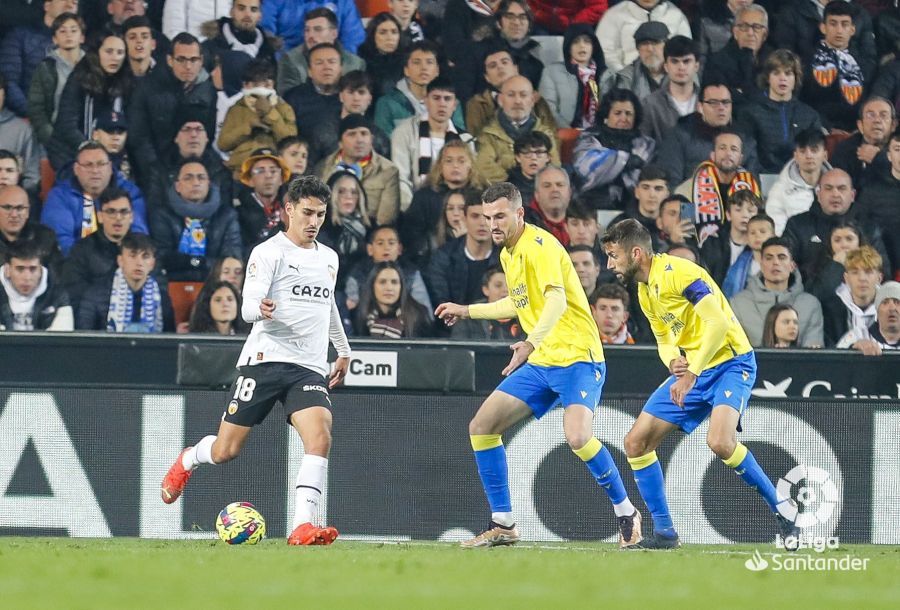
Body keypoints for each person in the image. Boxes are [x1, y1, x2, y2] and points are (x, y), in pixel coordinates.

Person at [436, 182, 642, 549]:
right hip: (543, 359)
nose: (492, 224)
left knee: (578, 437)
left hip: (578, 356)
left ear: (519, 213)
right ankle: (503, 523)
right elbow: (517, 304)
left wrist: (530, 343)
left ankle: (626, 511)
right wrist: (467, 309)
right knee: (482, 426)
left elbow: (556, 302)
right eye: (486, 217)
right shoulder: (508, 254)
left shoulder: (540, 247)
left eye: (499, 216)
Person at [159, 175, 352, 547]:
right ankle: (189, 458)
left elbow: (327, 305)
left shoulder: (329, 258)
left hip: (308, 366)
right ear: (289, 210)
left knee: (320, 436)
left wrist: (342, 349)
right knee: (226, 451)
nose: (313, 222)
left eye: (321, 215)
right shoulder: (268, 253)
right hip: (266, 360)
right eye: (307, 213)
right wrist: (259, 310)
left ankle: (302, 525)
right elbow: (247, 305)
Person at [600, 219, 801, 550]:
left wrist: (691, 372)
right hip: (695, 368)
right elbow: (664, 338)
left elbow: (718, 323)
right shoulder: (644, 290)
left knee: (720, 442)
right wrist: (672, 362)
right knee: (636, 442)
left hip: (731, 362)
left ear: (636, 252)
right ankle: (665, 532)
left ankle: (784, 510)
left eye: (613, 255)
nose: (610, 264)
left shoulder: (681, 274)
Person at [41, 140, 148, 256]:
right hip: (76, 265)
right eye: (88, 165)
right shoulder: (59, 196)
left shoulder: (131, 193)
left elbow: (139, 237)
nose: (95, 170)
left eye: (101, 164)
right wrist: (92, 263)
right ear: (76, 169)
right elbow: (60, 241)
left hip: (122, 264)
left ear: (110, 168)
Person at [149, 157, 243, 282]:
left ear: (209, 184)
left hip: (216, 286)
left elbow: (230, 260)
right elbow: (162, 257)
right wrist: (203, 262)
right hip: (172, 284)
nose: (196, 182)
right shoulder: (162, 215)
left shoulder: (226, 216)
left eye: (201, 177)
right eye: (188, 178)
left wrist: (190, 262)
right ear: (177, 186)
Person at [391, 77, 472, 208]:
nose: (442, 104)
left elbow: (470, 180)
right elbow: (401, 178)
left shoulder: (465, 139)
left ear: (454, 105)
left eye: (447, 99)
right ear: (425, 101)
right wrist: (412, 209)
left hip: (456, 208)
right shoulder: (404, 132)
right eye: (436, 98)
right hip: (416, 207)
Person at [739, 49, 824, 174]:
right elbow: (749, 154)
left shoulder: (810, 115)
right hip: (762, 179)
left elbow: (816, 154)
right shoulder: (750, 113)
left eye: (788, 73)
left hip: (800, 179)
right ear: (768, 77)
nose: (782, 78)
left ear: (796, 78)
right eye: (776, 73)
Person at [730, 236, 825, 347]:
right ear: (761, 265)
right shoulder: (739, 303)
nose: (775, 262)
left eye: (782, 257)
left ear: (792, 266)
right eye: (769, 258)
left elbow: (814, 351)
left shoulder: (811, 304)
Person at [573, 88, 655, 210]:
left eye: (628, 113)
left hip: (634, 206)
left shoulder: (645, 143)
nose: (623, 118)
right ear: (606, 116)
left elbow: (647, 177)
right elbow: (585, 166)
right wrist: (626, 160)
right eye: (618, 113)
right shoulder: (590, 137)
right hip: (590, 204)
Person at [76, 232, 175, 332]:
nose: (139, 263)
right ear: (120, 261)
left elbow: (169, 338)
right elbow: (85, 338)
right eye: (132, 256)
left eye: (145, 257)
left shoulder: (162, 297)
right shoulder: (96, 294)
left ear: (152, 264)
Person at [315, 114, 401, 226]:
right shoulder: (322, 167)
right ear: (340, 143)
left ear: (372, 140)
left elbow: (385, 220)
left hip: (369, 236)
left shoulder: (388, 171)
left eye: (364, 134)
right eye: (352, 134)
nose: (359, 140)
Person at [218, 59, 297, 179]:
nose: (261, 90)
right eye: (255, 85)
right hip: (242, 169)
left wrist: (270, 114)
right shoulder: (236, 109)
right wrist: (247, 127)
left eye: (266, 85)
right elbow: (223, 144)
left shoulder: (284, 108)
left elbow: (291, 143)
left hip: (275, 169)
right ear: (245, 85)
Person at [476, 75, 560, 183]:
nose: (518, 101)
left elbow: (555, 166)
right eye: (511, 95)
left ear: (532, 100)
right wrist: (515, 184)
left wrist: (505, 162)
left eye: (523, 95)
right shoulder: (488, 134)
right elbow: (484, 168)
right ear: (501, 100)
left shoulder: (545, 133)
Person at [426, 189, 499, 308]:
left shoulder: (508, 257)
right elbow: (442, 304)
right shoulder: (442, 258)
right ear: (464, 219)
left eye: (488, 217)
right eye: (475, 216)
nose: (482, 223)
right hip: (456, 324)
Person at [61, 187, 133, 303]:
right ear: (99, 217)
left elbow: (159, 288)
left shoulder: (144, 249)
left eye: (124, 212)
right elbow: (74, 292)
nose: (118, 218)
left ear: (131, 217)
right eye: (111, 212)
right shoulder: (81, 250)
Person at [26, 11, 85, 149]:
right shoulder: (45, 67)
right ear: (54, 39)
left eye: (73, 30)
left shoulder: (93, 66)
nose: (68, 34)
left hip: (87, 133)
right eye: (62, 31)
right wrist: (51, 138)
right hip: (56, 137)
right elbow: (36, 109)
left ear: (82, 37)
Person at [275, 7, 366, 94]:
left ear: (334, 33)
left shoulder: (356, 64)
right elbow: (287, 98)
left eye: (317, 29)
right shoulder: (291, 60)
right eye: (307, 30)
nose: (311, 35)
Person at [538, 24, 606, 129]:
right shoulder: (552, 72)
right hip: (564, 135)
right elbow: (547, 109)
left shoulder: (606, 75)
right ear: (568, 47)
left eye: (587, 41)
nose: (582, 46)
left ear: (594, 46)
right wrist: (571, 133)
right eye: (576, 42)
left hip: (599, 136)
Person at [766, 129, 832, 236]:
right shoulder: (779, 190)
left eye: (814, 150)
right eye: (802, 151)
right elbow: (776, 231)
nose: (808, 156)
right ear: (795, 156)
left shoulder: (838, 187)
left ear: (825, 155)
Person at [595, 0, 691, 73]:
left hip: (670, 81)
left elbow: (686, 52)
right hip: (626, 82)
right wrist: (624, 75)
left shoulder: (676, 15)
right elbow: (605, 52)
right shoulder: (614, 15)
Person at [0, 239, 72, 332]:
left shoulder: (57, 294)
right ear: (7, 270)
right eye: (20, 269)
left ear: (41, 270)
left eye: (33, 269)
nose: (27, 277)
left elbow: (63, 340)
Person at [639, 35, 700, 143]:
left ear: (696, 66)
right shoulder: (649, 104)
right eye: (675, 61)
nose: (681, 67)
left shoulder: (709, 101)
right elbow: (644, 146)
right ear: (666, 66)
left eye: (686, 61)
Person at [821, 245, 883, 346]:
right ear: (846, 278)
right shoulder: (830, 310)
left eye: (868, 272)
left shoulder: (893, 307)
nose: (862, 278)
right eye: (855, 272)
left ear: (879, 278)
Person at [830, 96, 895, 192]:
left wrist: (879, 159)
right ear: (860, 125)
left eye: (883, 115)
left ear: (893, 125)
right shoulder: (845, 149)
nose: (877, 120)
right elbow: (839, 188)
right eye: (870, 115)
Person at [354, 260, 432, 337]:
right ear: (372, 286)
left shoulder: (419, 315)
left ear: (401, 287)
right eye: (382, 282)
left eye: (394, 282)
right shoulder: (359, 315)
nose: (389, 288)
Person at [260, 0, 365, 54]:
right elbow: (265, 31)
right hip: (285, 59)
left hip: (330, 60)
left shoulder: (343, 2)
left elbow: (353, 40)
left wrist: (339, 64)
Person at [0, 184, 62, 272]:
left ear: (28, 211)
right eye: (7, 208)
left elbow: (58, 277)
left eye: (20, 208)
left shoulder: (45, 237)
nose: (14, 215)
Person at [450, 265, 522, 341]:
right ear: (485, 290)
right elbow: (459, 348)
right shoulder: (468, 319)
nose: (505, 290)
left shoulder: (526, 314)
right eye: (498, 285)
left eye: (510, 285)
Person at [610, 20, 669, 104]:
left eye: (655, 43)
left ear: (666, 45)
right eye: (644, 44)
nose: (650, 49)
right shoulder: (626, 77)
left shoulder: (682, 71)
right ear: (638, 49)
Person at [836, 280, 900, 353]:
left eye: (897, 302)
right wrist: (853, 349)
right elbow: (834, 360)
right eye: (885, 302)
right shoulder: (857, 335)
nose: (892, 308)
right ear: (877, 311)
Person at [357, 12, 407, 101]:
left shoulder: (407, 59)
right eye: (383, 32)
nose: (389, 37)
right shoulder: (361, 60)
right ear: (373, 36)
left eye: (394, 32)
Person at [506, 131, 552, 205]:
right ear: (518, 157)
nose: (533, 158)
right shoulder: (509, 189)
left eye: (539, 152)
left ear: (548, 157)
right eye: (527, 153)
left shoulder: (558, 182)